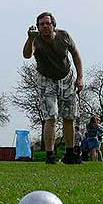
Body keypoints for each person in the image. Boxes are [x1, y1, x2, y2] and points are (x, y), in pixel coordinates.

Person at [23, 12, 83, 164]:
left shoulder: (64, 36)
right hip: (46, 79)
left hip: (66, 77)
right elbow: (26, 55)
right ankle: (50, 155)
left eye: (47, 23)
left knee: (69, 116)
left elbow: (76, 55)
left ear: (53, 25)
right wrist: (30, 38)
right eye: (41, 24)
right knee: (51, 116)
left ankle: (70, 154)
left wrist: (80, 77)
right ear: (38, 27)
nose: (45, 26)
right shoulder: (35, 40)